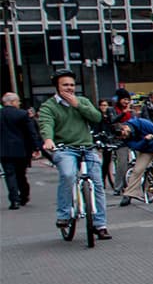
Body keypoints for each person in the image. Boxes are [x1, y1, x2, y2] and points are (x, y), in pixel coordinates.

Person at [38, 69, 111, 240]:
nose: (69, 88)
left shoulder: (82, 101)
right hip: (65, 149)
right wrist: (48, 139)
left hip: (87, 147)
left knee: (98, 183)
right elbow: (46, 124)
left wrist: (78, 105)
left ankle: (100, 224)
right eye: (65, 85)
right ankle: (64, 215)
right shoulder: (49, 106)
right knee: (68, 174)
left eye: (72, 85)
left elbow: (96, 117)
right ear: (57, 87)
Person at [115, 112, 153, 207]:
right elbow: (136, 146)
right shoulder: (126, 138)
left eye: (123, 135)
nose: (123, 138)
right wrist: (145, 140)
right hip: (146, 150)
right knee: (137, 170)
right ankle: (129, 194)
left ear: (125, 128)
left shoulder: (143, 124)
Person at [1, 91, 42, 209]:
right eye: (18, 101)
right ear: (13, 102)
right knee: (21, 174)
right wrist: (36, 147)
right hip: (21, 149)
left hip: (4, 150)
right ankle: (24, 195)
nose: (19, 103)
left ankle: (14, 200)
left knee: (10, 174)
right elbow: (31, 132)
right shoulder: (22, 114)